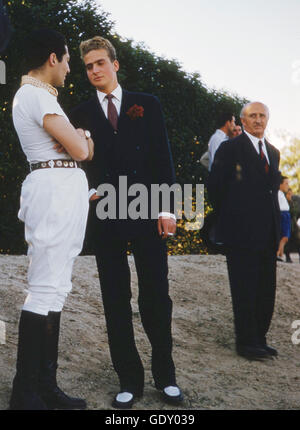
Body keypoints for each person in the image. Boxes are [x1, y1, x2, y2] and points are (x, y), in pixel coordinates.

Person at [68, 36, 183, 409]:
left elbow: (163, 155)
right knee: (115, 299)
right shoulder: (80, 113)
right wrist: (88, 192)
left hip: (148, 211)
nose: (94, 70)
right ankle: (129, 381)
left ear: (114, 65)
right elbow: (75, 162)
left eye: (100, 63)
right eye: (88, 66)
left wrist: (168, 209)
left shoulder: (148, 104)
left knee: (156, 298)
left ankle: (166, 377)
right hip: (106, 216)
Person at [10, 29, 94, 410]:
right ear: (52, 58)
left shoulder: (41, 96)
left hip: (61, 189)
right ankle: (25, 392)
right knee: (45, 288)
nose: (70, 67)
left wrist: (78, 139)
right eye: (68, 59)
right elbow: (78, 149)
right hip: (53, 189)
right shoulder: (34, 95)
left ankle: (45, 386)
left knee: (56, 288)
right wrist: (85, 137)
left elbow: (73, 147)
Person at [208, 102, 281, 361]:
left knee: (265, 289)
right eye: (253, 116)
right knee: (244, 289)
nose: (258, 120)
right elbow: (215, 187)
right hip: (240, 232)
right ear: (243, 120)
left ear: (267, 119)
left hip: (268, 233)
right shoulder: (231, 148)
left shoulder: (273, 152)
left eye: (262, 115)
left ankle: (260, 338)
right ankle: (246, 342)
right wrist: (233, 218)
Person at [277, 176, 291, 261]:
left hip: (286, 214)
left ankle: (280, 253)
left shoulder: (282, 194)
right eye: (286, 183)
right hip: (283, 214)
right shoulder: (278, 193)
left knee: (285, 237)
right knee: (284, 236)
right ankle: (278, 252)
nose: (288, 186)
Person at [284, 188, 300, 263]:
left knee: (298, 240)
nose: (290, 195)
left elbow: (297, 212)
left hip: (294, 224)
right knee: (288, 241)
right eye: (288, 194)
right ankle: (287, 257)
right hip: (287, 224)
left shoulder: (295, 202)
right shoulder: (284, 202)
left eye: (291, 194)